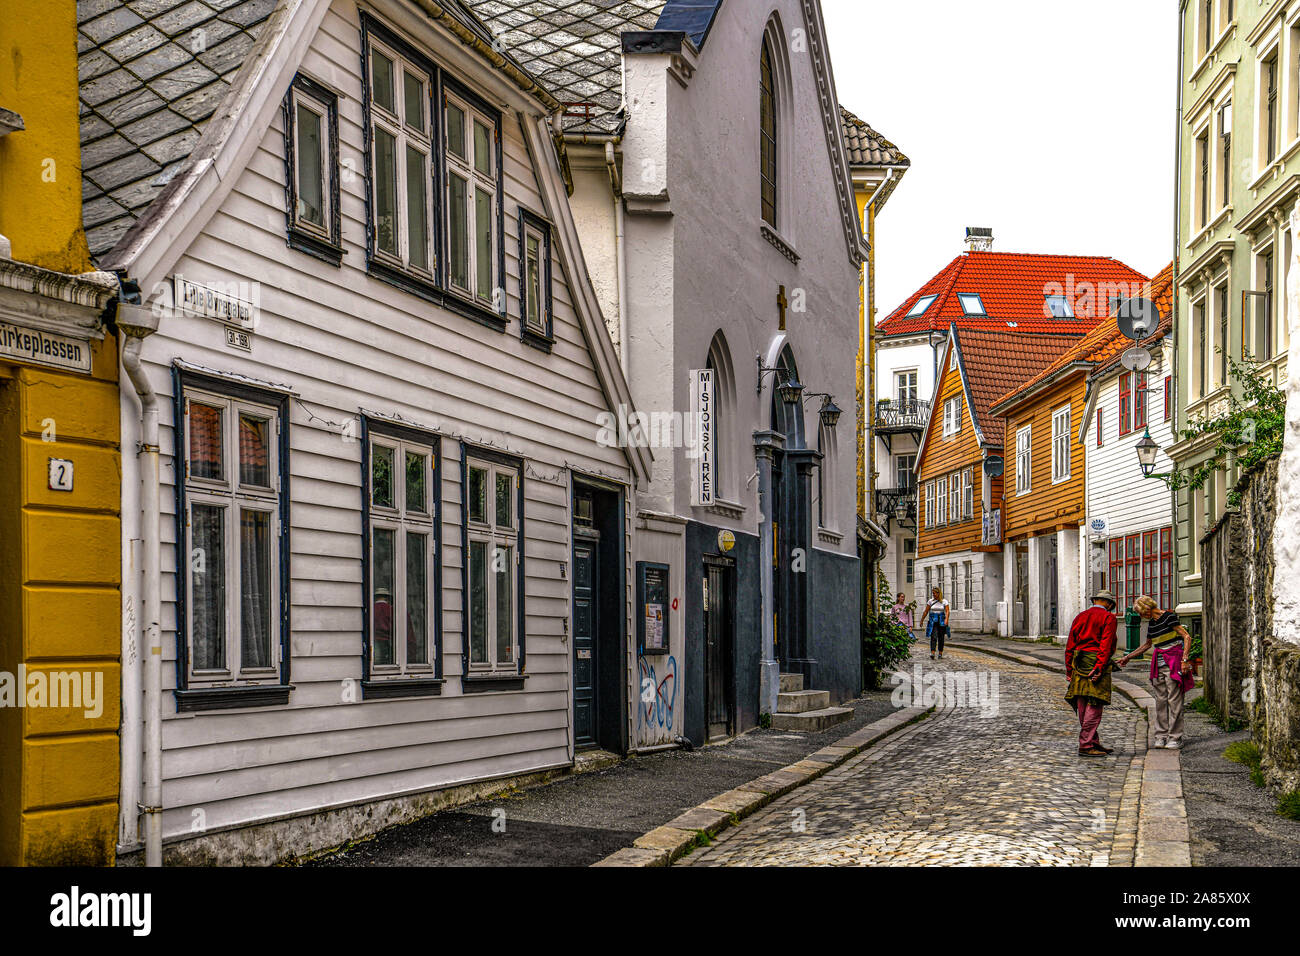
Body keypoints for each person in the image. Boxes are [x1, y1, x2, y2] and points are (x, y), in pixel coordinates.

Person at [1117, 596, 1194, 749]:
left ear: (1147, 608)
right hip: (1158, 665)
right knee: (1160, 701)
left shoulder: (1169, 617)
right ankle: (1161, 736)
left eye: (1141, 612)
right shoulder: (1152, 623)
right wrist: (1128, 657)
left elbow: (1186, 636)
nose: (1140, 616)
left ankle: (1175, 737)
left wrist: (1185, 660)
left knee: (1175, 701)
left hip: (1173, 663)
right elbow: (1147, 645)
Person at [1064, 589, 1119, 757]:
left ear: (1095, 600)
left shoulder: (1080, 616)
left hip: (1078, 662)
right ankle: (1086, 744)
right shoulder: (1108, 618)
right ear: (1109, 604)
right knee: (1095, 704)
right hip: (1095, 661)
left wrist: (1069, 668)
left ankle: (1093, 741)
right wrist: (1100, 666)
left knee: (1082, 702)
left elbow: (1070, 644)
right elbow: (1106, 643)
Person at [923, 587, 950, 660]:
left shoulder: (944, 601)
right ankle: (933, 652)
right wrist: (922, 620)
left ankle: (940, 653)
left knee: (941, 637)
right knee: (933, 636)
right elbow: (926, 611)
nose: (933, 595)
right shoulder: (930, 601)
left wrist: (946, 619)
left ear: (938, 593)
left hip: (941, 621)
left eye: (934, 593)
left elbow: (947, 611)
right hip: (933, 621)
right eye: (933, 593)